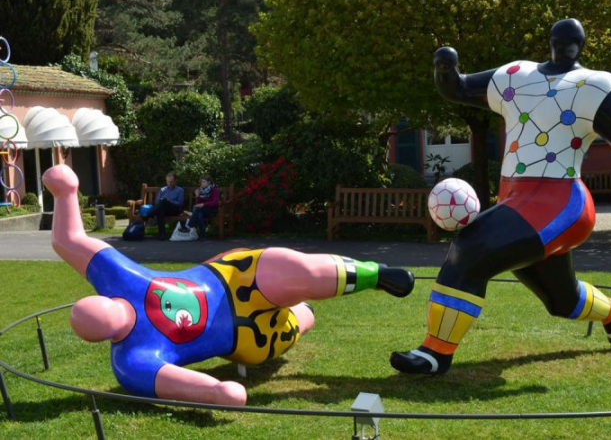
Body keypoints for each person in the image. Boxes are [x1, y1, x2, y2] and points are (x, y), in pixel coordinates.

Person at [391, 19, 611, 375]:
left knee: (471, 247)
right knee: (563, 299)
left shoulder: (595, 84)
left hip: (562, 202)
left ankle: (435, 352)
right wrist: (445, 71)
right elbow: (461, 88)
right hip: (519, 200)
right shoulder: (517, 75)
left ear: (579, 44)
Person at [43, 164, 414, 406]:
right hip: (244, 337)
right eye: (106, 319)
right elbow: (186, 386)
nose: (114, 312)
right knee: (298, 319)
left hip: (232, 275)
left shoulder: (120, 279)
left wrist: (66, 193)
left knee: (299, 269)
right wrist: (219, 393)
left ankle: (374, 274)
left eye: (102, 308)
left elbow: (69, 241)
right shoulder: (132, 362)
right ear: (102, 334)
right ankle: (306, 312)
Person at [144, 172, 184, 240]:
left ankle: (149, 214)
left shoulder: (180, 190)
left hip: (175, 210)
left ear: (175, 181)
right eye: (168, 182)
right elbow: (157, 202)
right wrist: (164, 201)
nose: (169, 184)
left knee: (164, 201)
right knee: (161, 209)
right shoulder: (163, 190)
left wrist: (168, 201)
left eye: (171, 182)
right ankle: (162, 234)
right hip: (164, 209)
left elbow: (180, 203)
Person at [179, 175, 219, 239]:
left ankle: (189, 226)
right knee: (199, 214)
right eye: (201, 182)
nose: (202, 184)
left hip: (212, 211)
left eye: (204, 182)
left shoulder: (214, 190)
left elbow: (214, 202)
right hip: (202, 210)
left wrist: (203, 204)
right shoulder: (201, 191)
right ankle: (203, 236)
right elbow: (197, 204)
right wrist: (197, 195)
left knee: (198, 211)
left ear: (209, 182)